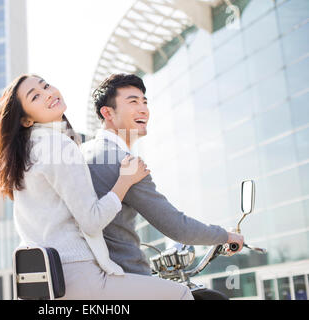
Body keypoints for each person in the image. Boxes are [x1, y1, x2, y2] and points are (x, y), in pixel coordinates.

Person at [0, 73, 194, 300]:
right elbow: (91, 221)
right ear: (26, 119)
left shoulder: (26, 153)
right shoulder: (57, 146)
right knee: (180, 294)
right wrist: (125, 181)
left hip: (47, 281)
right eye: (35, 96)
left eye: (45, 85)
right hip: (80, 276)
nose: (47, 93)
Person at [81, 73, 244, 276]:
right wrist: (225, 236)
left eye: (144, 102)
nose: (143, 109)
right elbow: (177, 227)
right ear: (108, 113)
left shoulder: (83, 152)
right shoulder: (124, 163)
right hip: (127, 274)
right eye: (133, 102)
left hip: (90, 272)